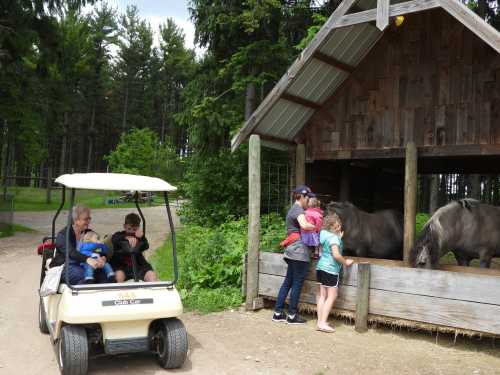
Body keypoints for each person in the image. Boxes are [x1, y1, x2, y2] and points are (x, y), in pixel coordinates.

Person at [273, 185, 316, 324]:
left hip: (292, 251)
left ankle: (278, 313)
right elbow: (304, 225)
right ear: (302, 197)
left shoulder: (293, 209)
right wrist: (316, 226)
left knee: (288, 282)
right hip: (299, 252)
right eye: (308, 197)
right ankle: (292, 315)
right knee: (297, 283)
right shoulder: (298, 210)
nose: (309, 200)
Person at [315, 213, 354, 333]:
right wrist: (345, 262)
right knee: (332, 296)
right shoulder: (334, 238)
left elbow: (327, 248)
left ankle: (320, 321)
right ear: (330, 227)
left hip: (320, 267)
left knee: (322, 295)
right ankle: (322, 323)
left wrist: (338, 238)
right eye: (336, 227)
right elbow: (336, 255)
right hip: (330, 269)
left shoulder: (324, 235)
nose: (338, 228)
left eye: (339, 225)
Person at [52, 205, 108, 284]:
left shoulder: (89, 233)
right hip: (65, 266)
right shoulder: (63, 235)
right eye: (85, 219)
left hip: (84, 265)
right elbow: (71, 252)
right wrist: (87, 259)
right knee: (87, 275)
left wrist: (102, 257)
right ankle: (81, 296)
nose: (88, 221)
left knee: (104, 275)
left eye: (89, 218)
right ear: (75, 220)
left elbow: (98, 248)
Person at [110, 213, 158, 282]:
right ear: (124, 226)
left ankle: (152, 290)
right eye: (129, 229)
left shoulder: (139, 237)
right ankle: (119, 291)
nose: (131, 231)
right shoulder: (119, 235)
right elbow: (114, 239)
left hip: (138, 265)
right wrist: (126, 238)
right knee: (118, 276)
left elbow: (146, 246)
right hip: (121, 266)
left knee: (151, 275)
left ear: (138, 228)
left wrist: (142, 238)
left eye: (134, 229)